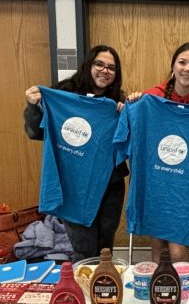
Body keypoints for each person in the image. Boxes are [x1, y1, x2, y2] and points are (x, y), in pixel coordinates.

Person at [24, 45, 127, 260]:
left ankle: (104, 288)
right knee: (83, 246)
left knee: (105, 245)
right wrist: (33, 106)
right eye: (99, 64)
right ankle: (82, 290)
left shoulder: (118, 102)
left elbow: (127, 145)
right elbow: (35, 133)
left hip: (109, 184)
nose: (105, 71)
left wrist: (125, 116)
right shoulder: (64, 95)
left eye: (111, 67)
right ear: (88, 65)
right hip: (72, 184)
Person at [128, 42, 189, 261]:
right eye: (182, 62)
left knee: (177, 251)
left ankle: (186, 292)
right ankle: (161, 292)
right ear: (173, 66)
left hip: (184, 194)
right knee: (159, 251)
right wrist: (131, 105)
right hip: (156, 188)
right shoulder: (150, 99)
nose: (187, 69)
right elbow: (129, 135)